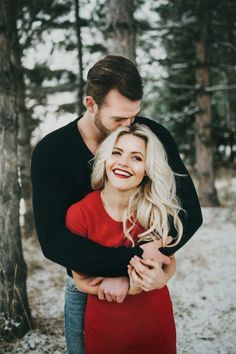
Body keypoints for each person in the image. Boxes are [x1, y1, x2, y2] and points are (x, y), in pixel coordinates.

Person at [31, 55, 202, 354]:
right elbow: (54, 241)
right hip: (88, 285)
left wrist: (156, 262)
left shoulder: (151, 136)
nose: (129, 125)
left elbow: (188, 210)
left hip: (148, 280)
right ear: (91, 104)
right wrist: (131, 262)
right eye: (119, 119)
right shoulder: (51, 152)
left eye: (133, 116)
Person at [66, 123, 182, 354]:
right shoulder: (79, 214)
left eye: (136, 158)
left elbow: (170, 261)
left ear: (148, 169)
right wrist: (132, 286)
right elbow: (80, 281)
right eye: (117, 153)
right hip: (106, 330)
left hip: (154, 325)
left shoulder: (155, 211)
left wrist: (161, 279)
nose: (123, 163)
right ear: (106, 159)